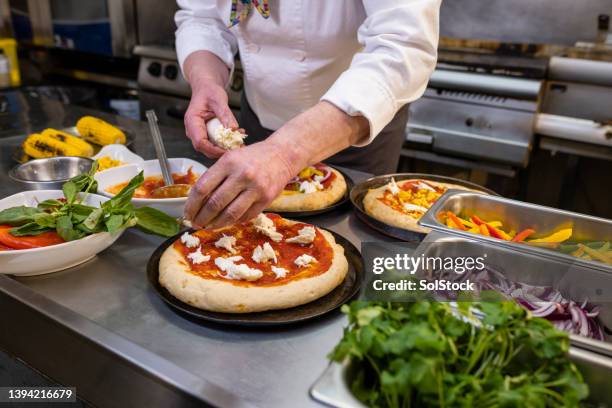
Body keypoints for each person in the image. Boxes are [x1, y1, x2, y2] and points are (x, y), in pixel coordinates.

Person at [176, 0, 440, 228]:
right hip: (257, 122)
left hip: (354, 124)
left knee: (354, 247)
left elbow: (403, 47)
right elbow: (203, 17)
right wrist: (206, 81)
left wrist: (282, 154)